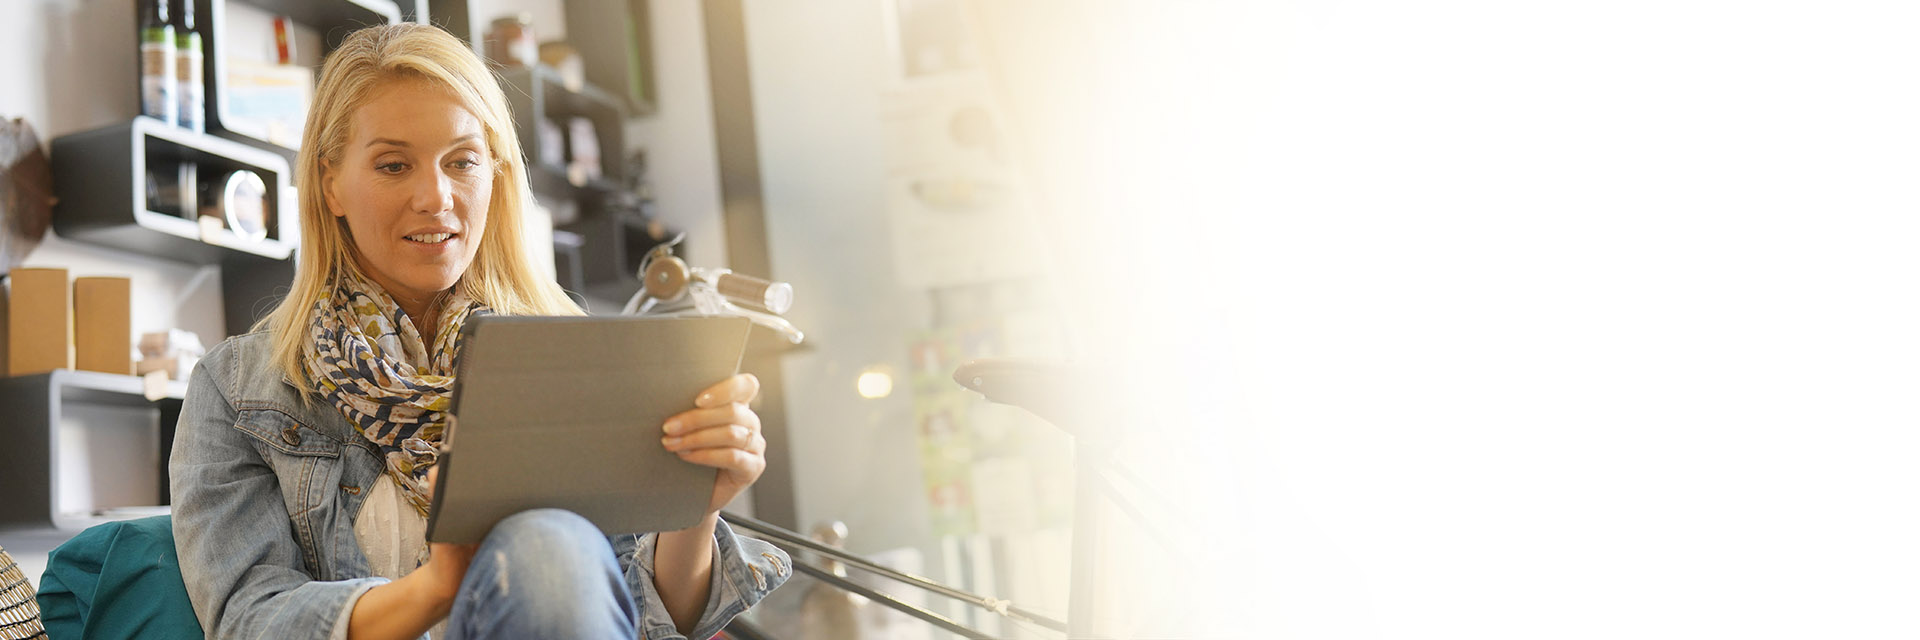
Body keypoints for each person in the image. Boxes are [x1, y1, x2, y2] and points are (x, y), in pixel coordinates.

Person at [168, 23, 789, 640]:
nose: (435, 197)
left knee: (547, 545)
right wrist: (436, 586)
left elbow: (644, 618)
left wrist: (696, 504)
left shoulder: (573, 360)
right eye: (393, 165)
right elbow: (249, 621)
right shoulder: (238, 389)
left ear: (495, 172)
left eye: (462, 161)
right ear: (331, 183)